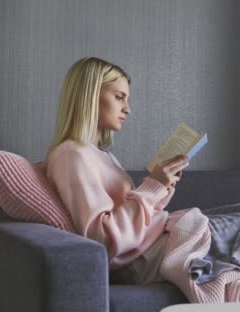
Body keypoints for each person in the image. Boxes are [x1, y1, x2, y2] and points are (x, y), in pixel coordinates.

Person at [45, 57, 189, 284]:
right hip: (143, 256)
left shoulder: (104, 156)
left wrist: (161, 189)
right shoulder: (71, 155)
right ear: (90, 97)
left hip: (154, 242)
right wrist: (152, 189)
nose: (127, 109)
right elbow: (102, 239)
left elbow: (132, 220)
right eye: (119, 97)